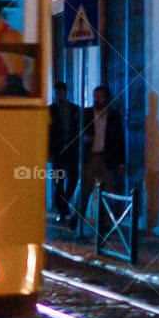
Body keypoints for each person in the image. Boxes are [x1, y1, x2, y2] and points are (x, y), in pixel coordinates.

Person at [75, 84, 126, 224]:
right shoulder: (85, 114)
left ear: (106, 98)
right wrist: (85, 138)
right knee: (85, 190)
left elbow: (120, 140)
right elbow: (75, 133)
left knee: (107, 193)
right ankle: (77, 220)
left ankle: (105, 225)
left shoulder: (114, 117)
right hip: (90, 157)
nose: (97, 100)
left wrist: (121, 162)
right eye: (95, 97)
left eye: (100, 97)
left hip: (106, 158)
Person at [48, 81, 81, 221]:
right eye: (56, 93)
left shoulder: (75, 109)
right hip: (57, 150)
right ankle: (62, 211)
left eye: (60, 93)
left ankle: (64, 203)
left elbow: (78, 128)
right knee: (58, 181)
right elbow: (47, 131)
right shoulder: (50, 110)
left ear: (66, 93)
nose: (58, 95)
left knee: (74, 177)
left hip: (71, 148)